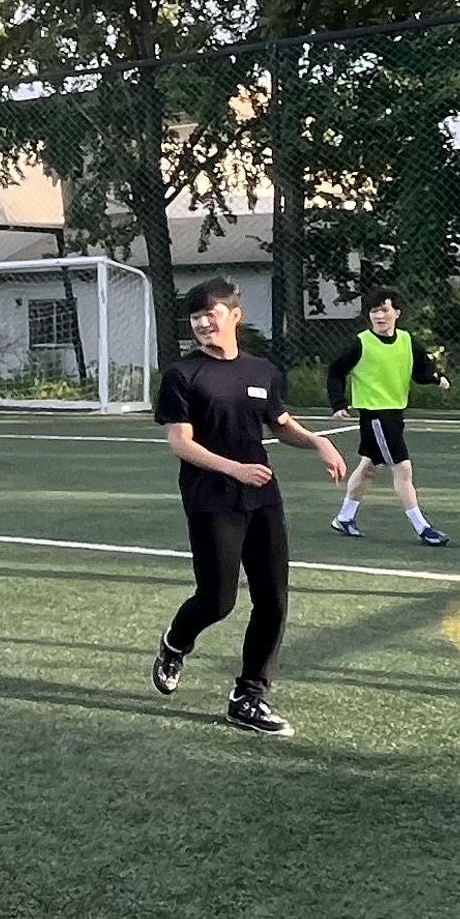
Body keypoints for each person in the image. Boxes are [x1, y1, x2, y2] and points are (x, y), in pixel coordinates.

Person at [150, 276, 348, 735]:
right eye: (195, 317)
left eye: (210, 314)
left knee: (273, 599)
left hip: (262, 496)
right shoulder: (183, 375)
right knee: (217, 600)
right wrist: (234, 469)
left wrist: (318, 442)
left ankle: (249, 697)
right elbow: (181, 443)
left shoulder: (262, 371)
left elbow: (280, 423)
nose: (202, 323)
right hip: (211, 498)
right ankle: (175, 642)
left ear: (234, 316)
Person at [322, 289, 452, 546]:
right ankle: (423, 527)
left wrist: (436, 378)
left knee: (369, 467)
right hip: (376, 416)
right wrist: (338, 403)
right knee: (402, 468)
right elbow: (335, 371)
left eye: (384, 310)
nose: (380, 316)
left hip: (394, 413)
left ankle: (344, 517)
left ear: (397, 313)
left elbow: (421, 370)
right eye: (374, 311)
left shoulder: (406, 340)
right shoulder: (361, 343)